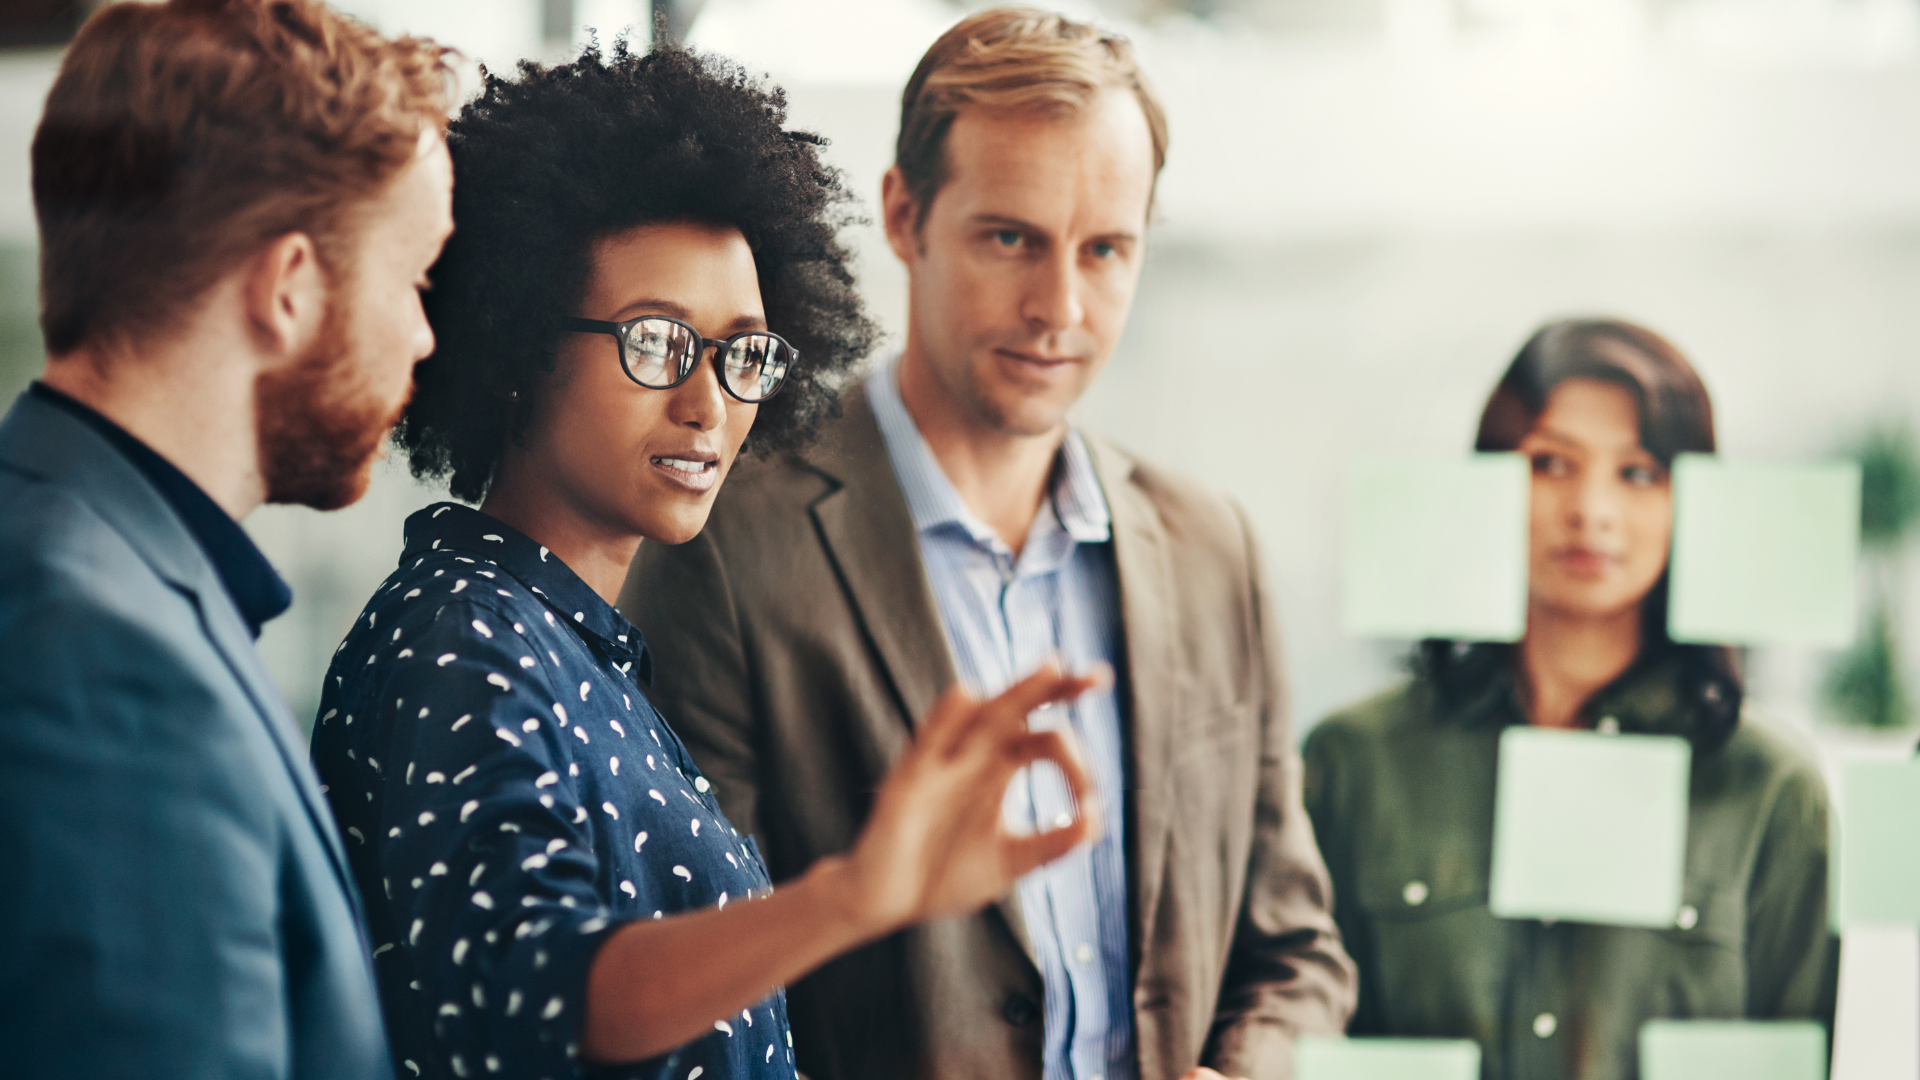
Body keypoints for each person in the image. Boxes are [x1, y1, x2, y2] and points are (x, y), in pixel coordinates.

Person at [311, 42, 1107, 1080]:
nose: (708, 404)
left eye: (743, 354)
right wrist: (857, 893)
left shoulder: (570, 648)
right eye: (655, 341)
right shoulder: (465, 641)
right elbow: (542, 993)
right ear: (515, 347)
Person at [622, 10, 1358, 1080]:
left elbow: (1297, 951)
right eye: (1011, 238)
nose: (1060, 307)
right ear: (903, 215)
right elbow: (694, 991)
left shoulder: (1212, 550)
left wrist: (1251, 1068)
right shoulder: (728, 545)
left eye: (1105, 250)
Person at [0, 0, 455, 1076]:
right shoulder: (103, 659)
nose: (426, 335)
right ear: (289, 287)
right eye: (416, 278)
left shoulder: (85, 567)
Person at [1302, 318, 1840, 1080]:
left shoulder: (1770, 787)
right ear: (1488, 484)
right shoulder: (1353, 762)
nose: (1591, 509)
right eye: (1551, 464)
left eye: (1640, 472)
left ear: (1695, 503)